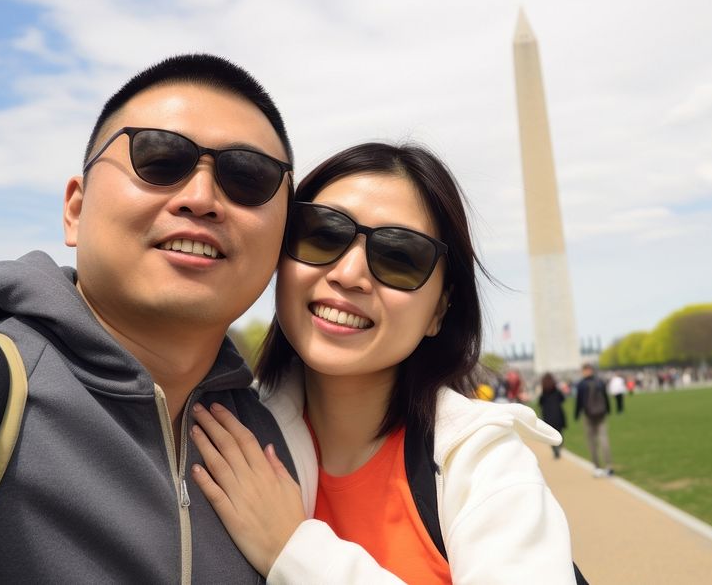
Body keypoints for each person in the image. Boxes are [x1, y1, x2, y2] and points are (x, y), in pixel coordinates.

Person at [0, 54, 297, 582]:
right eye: (159, 158)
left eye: (248, 178)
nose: (201, 199)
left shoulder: (279, 447)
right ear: (75, 208)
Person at [186, 142, 576, 583]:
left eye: (400, 257)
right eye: (321, 233)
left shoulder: (483, 466)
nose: (349, 274)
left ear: (439, 312)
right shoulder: (219, 438)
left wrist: (293, 550)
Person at [574, 363, 614, 477]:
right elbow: (605, 397)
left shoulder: (581, 384)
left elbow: (579, 401)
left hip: (588, 415)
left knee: (592, 442)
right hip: (601, 413)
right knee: (604, 439)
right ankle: (609, 466)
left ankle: (597, 467)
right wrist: (608, 410)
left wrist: (577, 414)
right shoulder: (600, 382)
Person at [538, 372, 568, 458]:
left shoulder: (543, 394)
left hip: (548, 416)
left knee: (551, 434)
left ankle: (555, 449)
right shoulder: (557, 392)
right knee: (560, 432)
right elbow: (562, 399)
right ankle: (559, 446)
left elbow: (540, 404)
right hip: (557, 414)